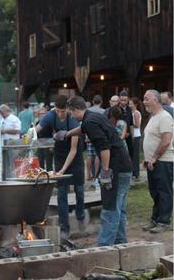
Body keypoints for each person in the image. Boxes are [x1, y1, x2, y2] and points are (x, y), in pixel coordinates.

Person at [55, 96, 133, 246]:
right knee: (119, 207)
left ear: (76, 110)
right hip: (125, 166)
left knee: (110, 208)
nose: (71, 116)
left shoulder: (90, 120)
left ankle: (104, 247)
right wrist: (66, 134)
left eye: (71, 113)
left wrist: (105, 170)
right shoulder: (93, 116)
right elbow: (82, 128)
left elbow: (104, 147)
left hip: (115, 167)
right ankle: (120, 242)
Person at [36, 95, 85, 241]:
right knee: (61, 193)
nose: (60, 114)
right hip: (59, 154)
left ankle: (80, 216)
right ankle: (65, 228)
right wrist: (29, 135)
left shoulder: (74, 120)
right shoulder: (51, 115)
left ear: (68, 110)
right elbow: (38, 128)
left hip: (74, 157)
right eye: (58, 111)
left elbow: (74, 150)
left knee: (79, 190)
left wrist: (63, 170)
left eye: (63, 111)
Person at [142, 89, 174, 234]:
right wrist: (147, 158)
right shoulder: (153, 117)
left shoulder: (165, 117)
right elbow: (152, 139)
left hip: (163, 161)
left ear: (155, 100)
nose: (144, 102)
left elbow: (166, 141)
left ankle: (164, 221)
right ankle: (155, 219)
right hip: (152, 161)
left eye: (146, 99)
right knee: (154, 191)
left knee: (164, 191)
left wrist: (154, 157)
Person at [0, 104, 21, 179]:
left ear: (6, 111)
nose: (1, 114)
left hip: (13, 145)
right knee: (5, 164)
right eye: (0, 113)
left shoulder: (15, 119)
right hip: (4, 145)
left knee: (13, 164)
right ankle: (7, 178)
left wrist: (6, 131)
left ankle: (15, 178)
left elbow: (18, 131)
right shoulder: (2, 120)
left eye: (2, 112)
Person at [86, 95, 105, 181]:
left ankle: (88, 174)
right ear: (101, 102)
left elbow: (85, 124)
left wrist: (86, 136)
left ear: (93, 102)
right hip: (99, 136)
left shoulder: (88, 111)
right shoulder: (103, 111)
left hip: (89, 135)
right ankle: (96, 175)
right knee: (98, 155)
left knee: (90, 155)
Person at [35, 106, 54, 172]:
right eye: (40, 114)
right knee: (40, 161)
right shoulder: (37, 123)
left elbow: (53, 134)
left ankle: (50, 175)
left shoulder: (50, 123)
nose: (41, 115)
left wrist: (52, 146)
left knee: (49, 162)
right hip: (39, 144)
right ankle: (41, 174)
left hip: (48, 144)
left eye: (43, 114)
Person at [129, 97, 142, 180]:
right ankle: (132, 172)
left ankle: (136, 173)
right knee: (131, 155)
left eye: (131, 103)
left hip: (136, 136)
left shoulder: (136, 113)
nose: (129, 105)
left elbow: (137, 125)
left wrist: (129, 123)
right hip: (132, 136)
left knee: (135, 156)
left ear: (135, 104)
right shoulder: (131, 112)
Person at [118, 91, 134, 160]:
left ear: (128, 100)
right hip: (119, 136)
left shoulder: (129, 109)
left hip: (128, 136)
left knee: (130, 154)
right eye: (121, 100)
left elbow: (131, 124)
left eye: (125, 100)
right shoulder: (116, 109)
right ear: (119, 99)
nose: (123, 102)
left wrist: (132, 135)